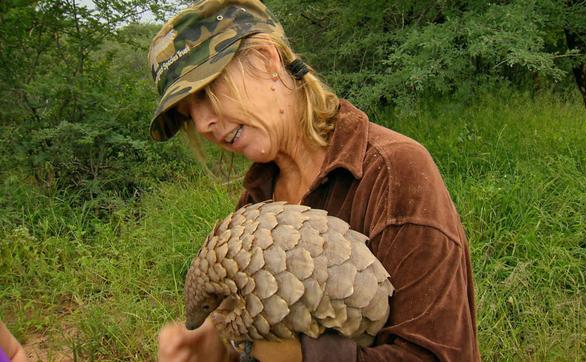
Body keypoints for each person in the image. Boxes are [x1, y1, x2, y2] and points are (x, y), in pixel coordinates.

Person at [150, 1, 480, 361]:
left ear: (266, 59)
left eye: (206, 93)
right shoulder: (257, 201)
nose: (202, 124)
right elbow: (261, 340)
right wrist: (218, 350)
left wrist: (302, 356)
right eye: (188, 115)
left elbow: (436, 354)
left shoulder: (394, 173)